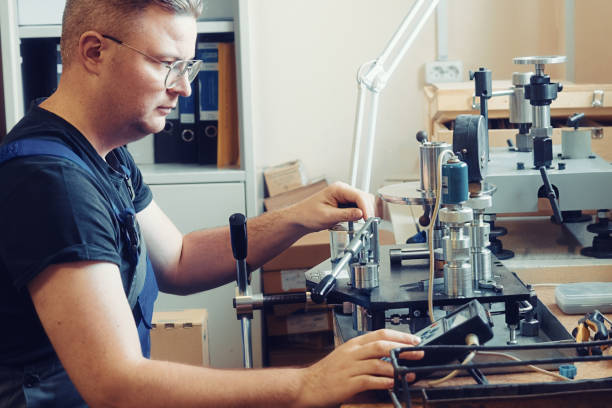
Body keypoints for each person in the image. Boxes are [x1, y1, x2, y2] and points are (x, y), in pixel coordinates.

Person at [0, 0, 423, 406]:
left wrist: (298, 218)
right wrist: (307, 384)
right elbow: (118, 387)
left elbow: (180, 260)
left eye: (187, 66)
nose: (184, 87)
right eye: (168, 64)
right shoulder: (51, 183)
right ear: (94, 52)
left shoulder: (104, 153)